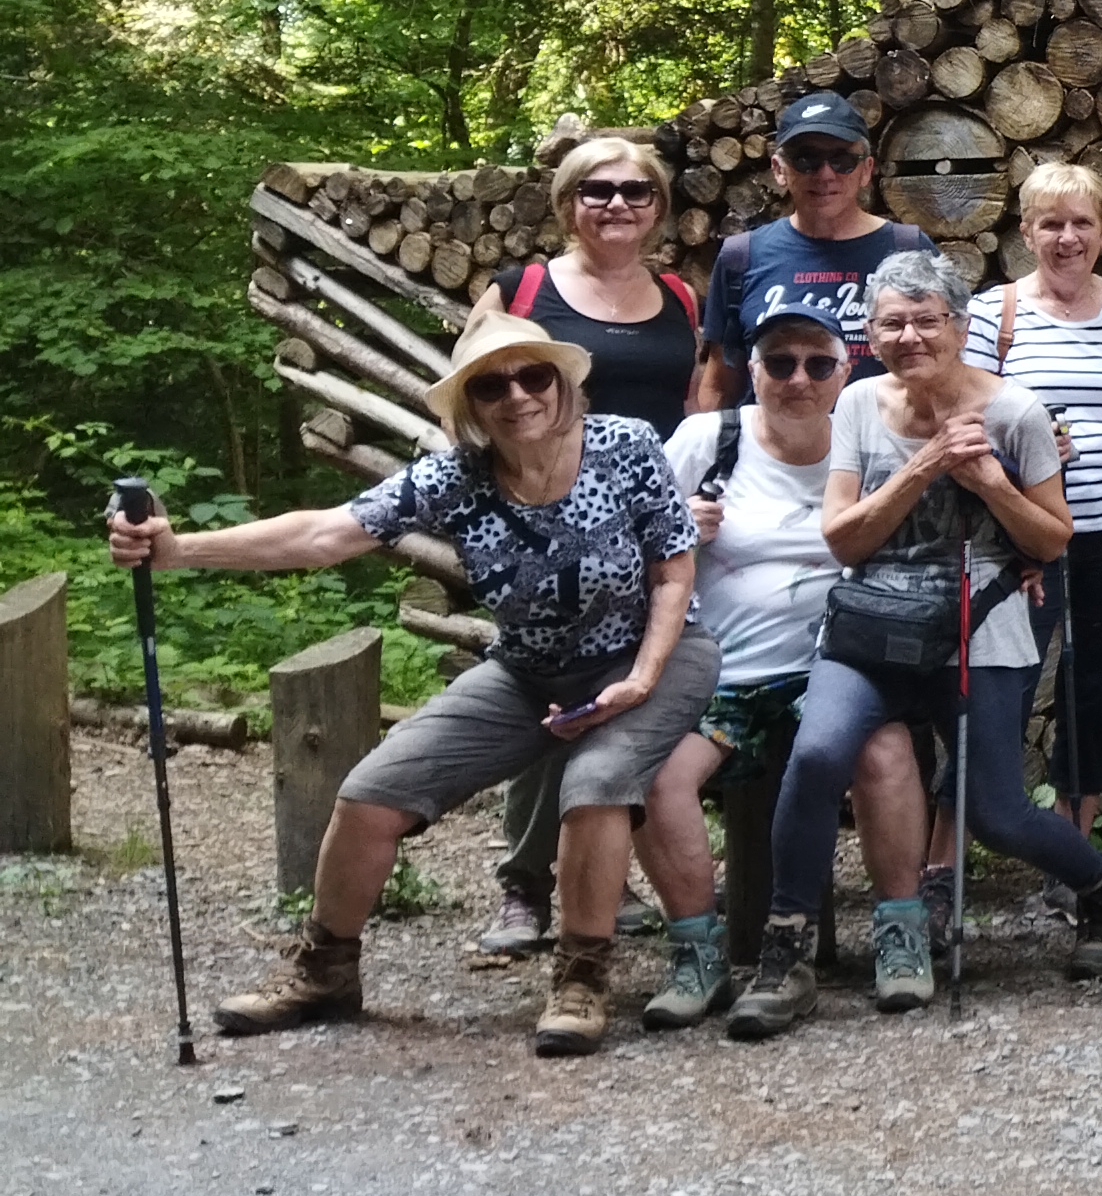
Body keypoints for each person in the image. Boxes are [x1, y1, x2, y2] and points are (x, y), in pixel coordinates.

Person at [111, 313, 716, 1057]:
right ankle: (325, 971)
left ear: (564, 384)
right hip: (529, 669)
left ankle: (582, 978)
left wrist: (642, 676)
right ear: (470, 406)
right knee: (371, 794)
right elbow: (324, 535)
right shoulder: (455, 477)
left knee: (595, 781)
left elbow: (672, 569)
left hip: (659, 653)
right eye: (492, 384)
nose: (517, 395)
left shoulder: (625, 446)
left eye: (534, 376)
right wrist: (177, 551)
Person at [730, 251, 1102, 1036]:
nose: (911, 335)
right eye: (892, 322)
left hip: (978, 625)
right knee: (819, 755)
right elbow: (844, 540)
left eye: (928, 319)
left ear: (960, 326)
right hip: (870, 625)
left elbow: (1054, 540)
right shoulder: (855, 404)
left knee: (992, 810)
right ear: (870, 332)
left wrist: (989, 482)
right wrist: (924, 468)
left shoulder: (1016, 413)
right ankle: (784, 954)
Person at [640, 295, 928, 1025]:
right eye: (778, 362)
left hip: (837, 667)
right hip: (719, 673)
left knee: (887, 752)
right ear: (753, 370)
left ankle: (902, 932)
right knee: (658, 774)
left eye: (818, 363)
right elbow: (631, 551)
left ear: (844, 372)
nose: (798, 378)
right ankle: (698, 952)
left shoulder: (868, 441)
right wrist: (678, 536)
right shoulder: (707, 441)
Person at [468, 132, 704, 966]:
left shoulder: (678, 295)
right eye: (598, 190)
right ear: (569, 203)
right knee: (550, 691)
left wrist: (688, 500)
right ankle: (524, 884)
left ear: (658, 207)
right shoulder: (523, 289)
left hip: (653, 521)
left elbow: (699, 407)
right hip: (545, 522)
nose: (617, 204)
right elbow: (470, 397)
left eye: (636, 192)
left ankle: (601, 879)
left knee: (623, 701)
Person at [967, 163, 1102, 838]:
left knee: (1098, 691)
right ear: (1027, 232)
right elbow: (971, 422)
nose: (1067, 238)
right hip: (1023, 532)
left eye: (1081, 222)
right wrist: (1023, 450)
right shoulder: (992, 314)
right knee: (1003, 686)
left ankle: (1074, 852)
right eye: (1051, 223)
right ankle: (960, 851)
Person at [695, 90, 939, 403]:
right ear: (779, 170)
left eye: (842, 160)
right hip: (773, 445)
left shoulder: (909, 248)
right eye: (806, 159)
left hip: (884, 445)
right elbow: (720, 382)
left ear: (866, 170)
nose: (825, 174)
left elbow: (944, 361)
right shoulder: (741, 256)